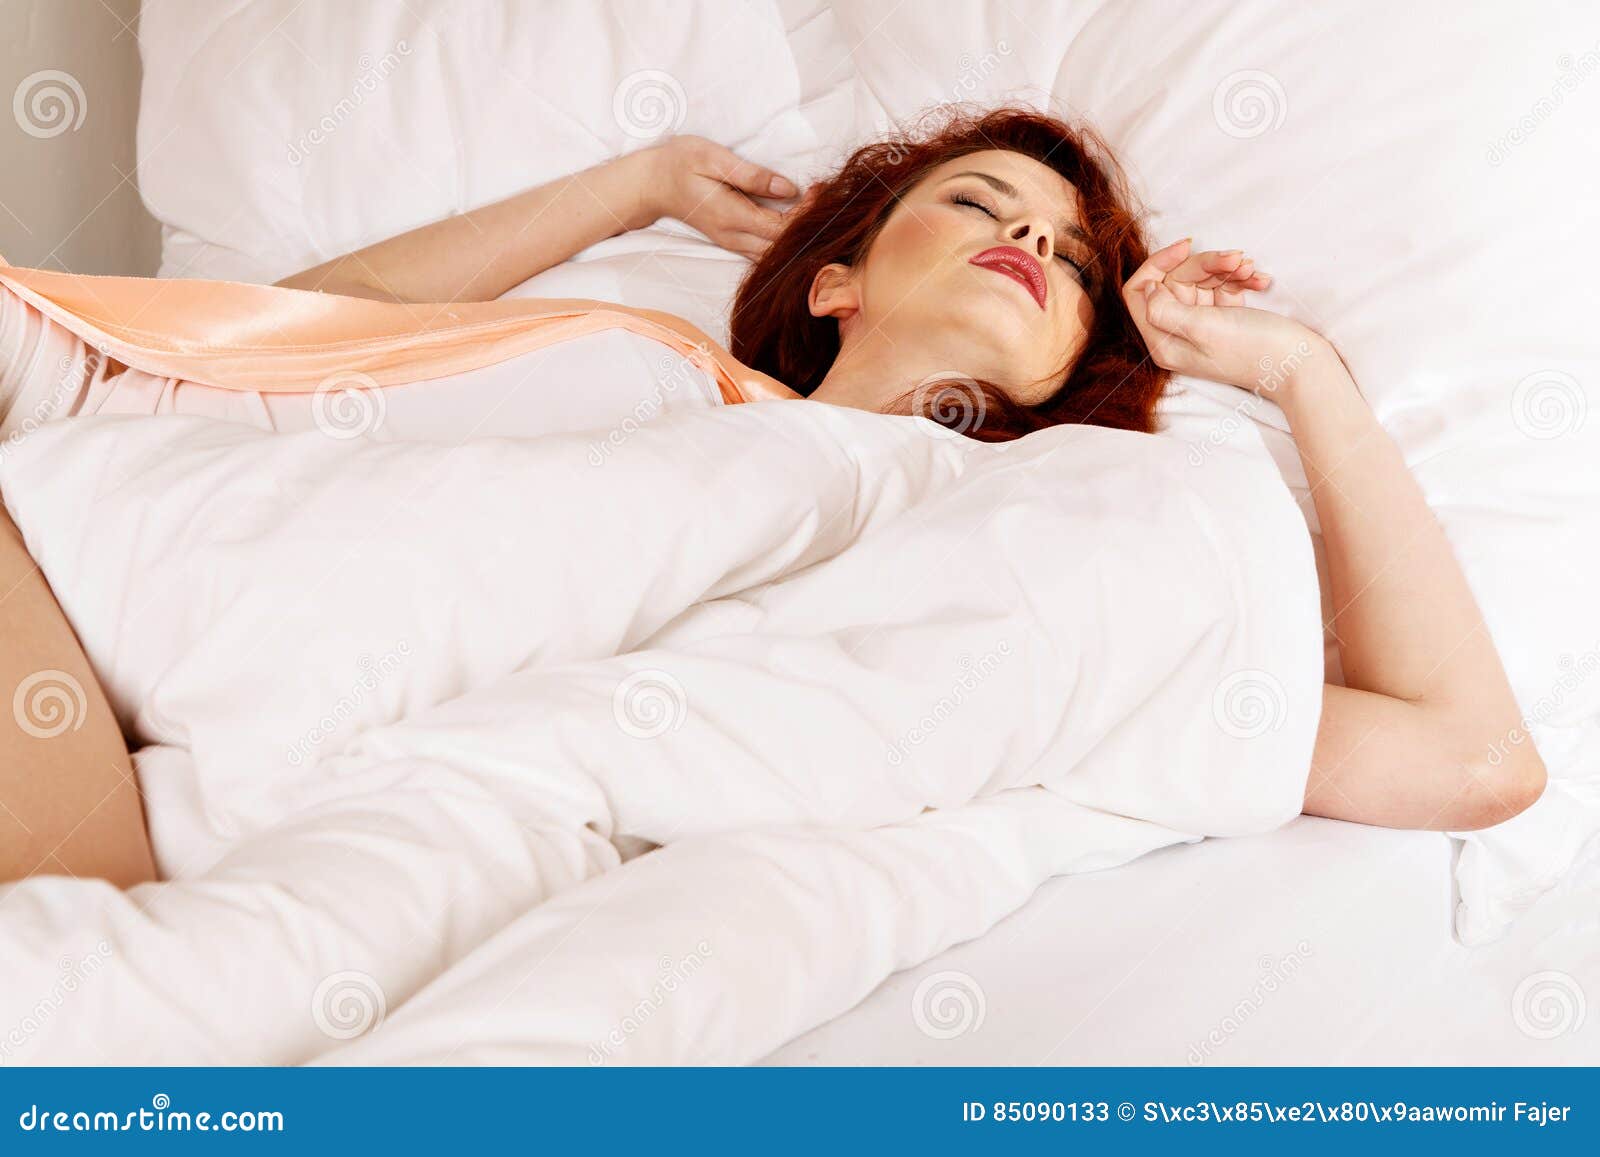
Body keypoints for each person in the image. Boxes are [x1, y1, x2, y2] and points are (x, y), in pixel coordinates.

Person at [0, 108, 1544, 887]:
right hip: (86, 541)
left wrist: (1301, 377)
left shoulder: (1020, 546)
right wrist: (634, 186)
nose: (1036, 244)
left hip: (139, 780)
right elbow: (272, 337)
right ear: (838, 277)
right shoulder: (647, 356)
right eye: (982, 204)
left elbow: (1473, 759)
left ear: (1084, 351)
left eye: (1074, 262)